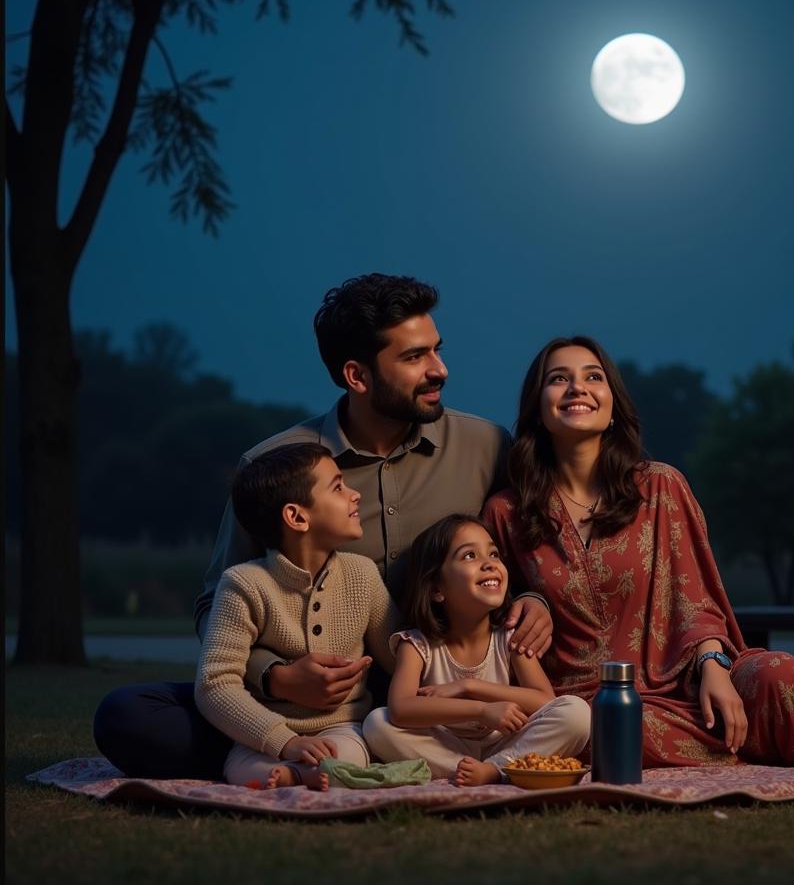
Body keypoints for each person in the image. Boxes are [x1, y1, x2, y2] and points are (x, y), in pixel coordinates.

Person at [93, 274, 553, 779]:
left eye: (436, 351)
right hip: (298, 709)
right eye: (413, 357)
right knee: (128, 716)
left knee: (554, 711)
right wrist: (277, 679)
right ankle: (303, 753)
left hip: (432, 694)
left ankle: (315, 758)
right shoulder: (276, 467)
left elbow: (522, 554)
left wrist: (536, 601)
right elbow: (214, 605)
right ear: (357, 375)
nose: (439, 370)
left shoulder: (487, 447)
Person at [483, 336, 794, 776]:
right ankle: (777, 734)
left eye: (593, 376)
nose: (576, 388)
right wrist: (530, 599)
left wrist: (714, 666)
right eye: (558, 378)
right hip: (589, 703)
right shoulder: (507, 511)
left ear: (612, 408)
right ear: (537, 408)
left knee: (779, 674)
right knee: (611, 732)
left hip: (686, 682)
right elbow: (484, 609)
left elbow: (697, 599)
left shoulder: (659, 487)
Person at [197, 442, 395, 790]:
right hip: (264, 731)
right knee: (243, 768)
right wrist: (284, 741)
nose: (354, 495)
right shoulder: (244, 583)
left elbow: (398, 654)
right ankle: (299, 774)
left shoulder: (362, 575)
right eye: (337, 487)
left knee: (347, 754)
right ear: (297, 517)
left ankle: (297, 776)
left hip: (342, 727)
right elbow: (214, 684)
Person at [362, 514, 590, 785]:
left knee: (576, 714)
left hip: (506, 742)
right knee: (377, 723)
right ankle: (479, 770)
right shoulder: (416, 645)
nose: (489, 564)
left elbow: (544, 701)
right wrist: (480, 711)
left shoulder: (510, 636)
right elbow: (400, 709)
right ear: (437, 589)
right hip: (445, 745)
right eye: (469, 555)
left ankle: (494, 768)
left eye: (493, 553)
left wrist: (470, 687)